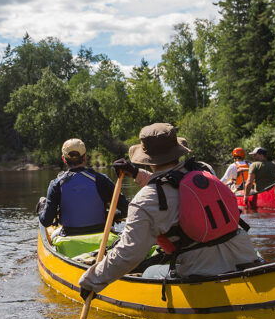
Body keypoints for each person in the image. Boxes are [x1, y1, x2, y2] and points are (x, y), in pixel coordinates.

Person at [78, 123, 261, 294]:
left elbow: (128, 255)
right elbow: (173, 184)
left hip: (201, 271)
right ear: (177, 150)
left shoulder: (145, 201)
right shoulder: (204, 172)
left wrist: (90, 282)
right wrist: (135, 173)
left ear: (147, 158)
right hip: (245, 256)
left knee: (149, 272)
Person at [38, 138, 127, 236]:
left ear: (63, 159)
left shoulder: (56, 184)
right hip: (101, 236)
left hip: (69, 236)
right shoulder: (102, 180)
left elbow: (46, 222)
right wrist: (112, 215)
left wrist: (42, 207)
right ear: (85, 157)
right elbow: (127, 210)